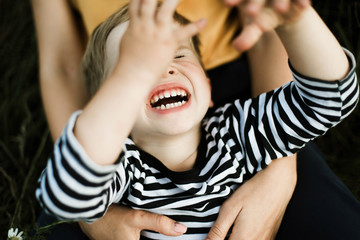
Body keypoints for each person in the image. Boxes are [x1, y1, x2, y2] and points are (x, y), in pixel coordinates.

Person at [30, 0, 360, 239]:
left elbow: (330, 100)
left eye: (177, 54)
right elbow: (66, 195)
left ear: (207, 86)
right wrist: (132, 77)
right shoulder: (123, 167)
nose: (163, 67)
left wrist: (294, 22)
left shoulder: (239, 133)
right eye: (140, 66)